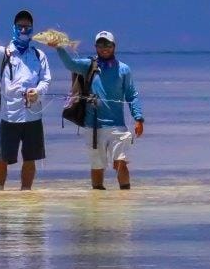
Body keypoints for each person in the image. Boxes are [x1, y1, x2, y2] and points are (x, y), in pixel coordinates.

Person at [46, 30, 144, 190]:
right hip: (93, 127)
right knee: (97, 167)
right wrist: (59, 48)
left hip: (117, 126)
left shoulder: (124, 69)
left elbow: (132, 95)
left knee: (121, 163)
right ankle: (97, 205)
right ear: (96, 47)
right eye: (100, 44)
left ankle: (125, 203)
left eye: (108, 44)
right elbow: (70, 64)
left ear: (114, 46)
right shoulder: (88, 65)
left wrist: (138, 118)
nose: (104, 48)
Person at [0, 8, 51, 190]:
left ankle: (26, 194)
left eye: (27, 27)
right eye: (20, 26)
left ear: (32, 29)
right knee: (2, 157)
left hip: (33, 115)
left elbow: (46, 79)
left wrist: (38, 92)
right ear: (14, 28)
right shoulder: (3, 54)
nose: (24, 30)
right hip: (10, 115)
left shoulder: (39, 55)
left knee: (30, 157)